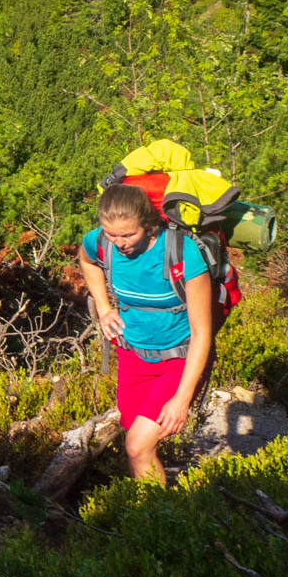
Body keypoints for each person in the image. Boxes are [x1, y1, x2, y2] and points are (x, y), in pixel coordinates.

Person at [76, 183, 212, 483]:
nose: (120, 243)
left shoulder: (182, 252)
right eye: (112, 234)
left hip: (179, 359)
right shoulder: (100, 241)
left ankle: (156, 521)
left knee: (137, 446)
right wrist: (103, 307)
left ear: (148, 225)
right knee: (136, 442)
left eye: (128, 235)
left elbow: (203, 334)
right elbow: (86, 260)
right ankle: (149, 514)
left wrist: (181, 398)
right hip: (133, 356)